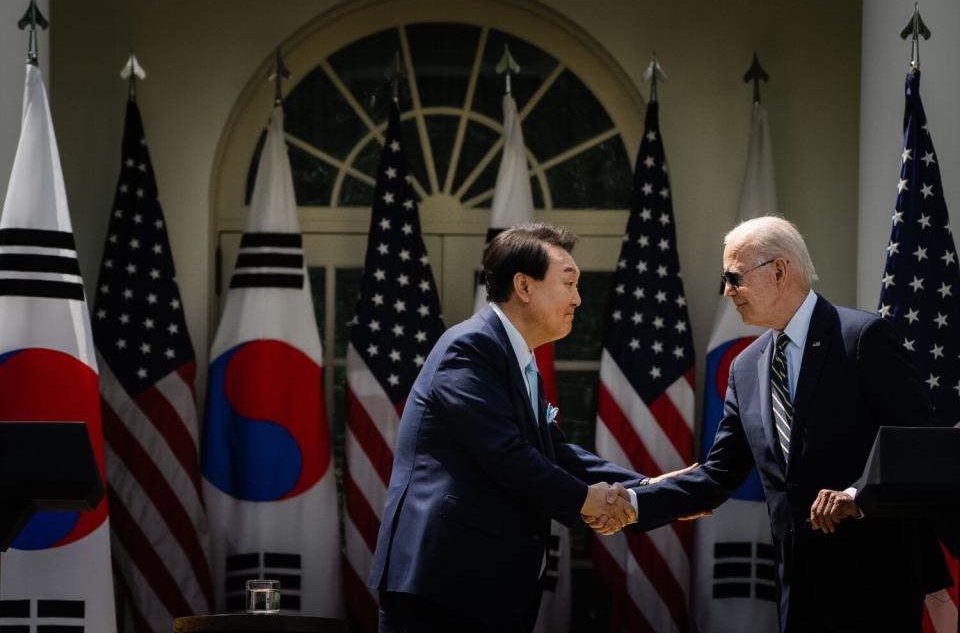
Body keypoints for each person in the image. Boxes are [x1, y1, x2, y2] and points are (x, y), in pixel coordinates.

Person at [625, 215, 951, 632]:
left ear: (779, 270)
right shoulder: (745, 368)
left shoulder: (863, 339)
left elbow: (919, 448)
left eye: (733, 277)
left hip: (876, 584)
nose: (727, 292)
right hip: (797, 587)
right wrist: (634, 503)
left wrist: (857, 496)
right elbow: (720, 474)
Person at [369, 223, 677, 632]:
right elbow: (505, 453)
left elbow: (558, 453)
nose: (578, 300)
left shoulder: (519, 359)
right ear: (524, 286)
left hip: (488, 592)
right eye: (568, 283)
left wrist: (652, 488)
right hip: (442, 588)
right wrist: (588, 500)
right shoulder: (468, 348)